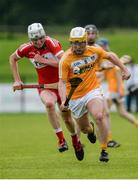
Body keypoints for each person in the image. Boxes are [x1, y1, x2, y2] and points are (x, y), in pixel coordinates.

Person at [58, 27, 130, 162]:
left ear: (85, 41)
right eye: (74, 42)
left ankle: (104, 150)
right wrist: (63, 101)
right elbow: (61, 83)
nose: (77, 46)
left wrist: (124, 69)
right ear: (70, 43)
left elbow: (111, 55)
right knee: (84, 129)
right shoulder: (66, 59)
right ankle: (91, 131)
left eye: (80, 42)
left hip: (92, 90)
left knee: (99, 115)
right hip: (75, 97)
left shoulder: (94, 51)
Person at [9, 23, 81, 155]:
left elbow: (65, 63)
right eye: (35, 40)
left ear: (44, 35)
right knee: (49, 104)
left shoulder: (52, 43)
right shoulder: (26, 48)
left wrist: (43, 60)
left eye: (40, 38)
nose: (38, 42)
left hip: (62, 85)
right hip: (45, 86)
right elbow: (12, 58)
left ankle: (75, 139)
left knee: (67, 119)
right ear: (31, 40)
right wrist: (17, 80)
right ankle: (61, 140)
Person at [84, 24, 120, 148]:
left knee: (103, 115)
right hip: (81, 88)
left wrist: (113, 65)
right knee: (80, 119)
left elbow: (102, 64)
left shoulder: (98, 48)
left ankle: (107, 141)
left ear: (97, 34)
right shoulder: (79, 48)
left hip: (95, 88)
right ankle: (77, 141)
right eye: (88, 33)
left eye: (93, 33)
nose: (91, 35)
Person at [97, 38, 138, 127]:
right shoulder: (104, 59)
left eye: (102, 45)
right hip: (115, 90)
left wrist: (120, 91)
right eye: (100, 45)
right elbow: (103, 75)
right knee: (122, 113)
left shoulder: (111, 58)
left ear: (106, 46)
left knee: (104, 113)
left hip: (114, 90)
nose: (101, 47)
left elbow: (118, 76)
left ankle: (108, 137)